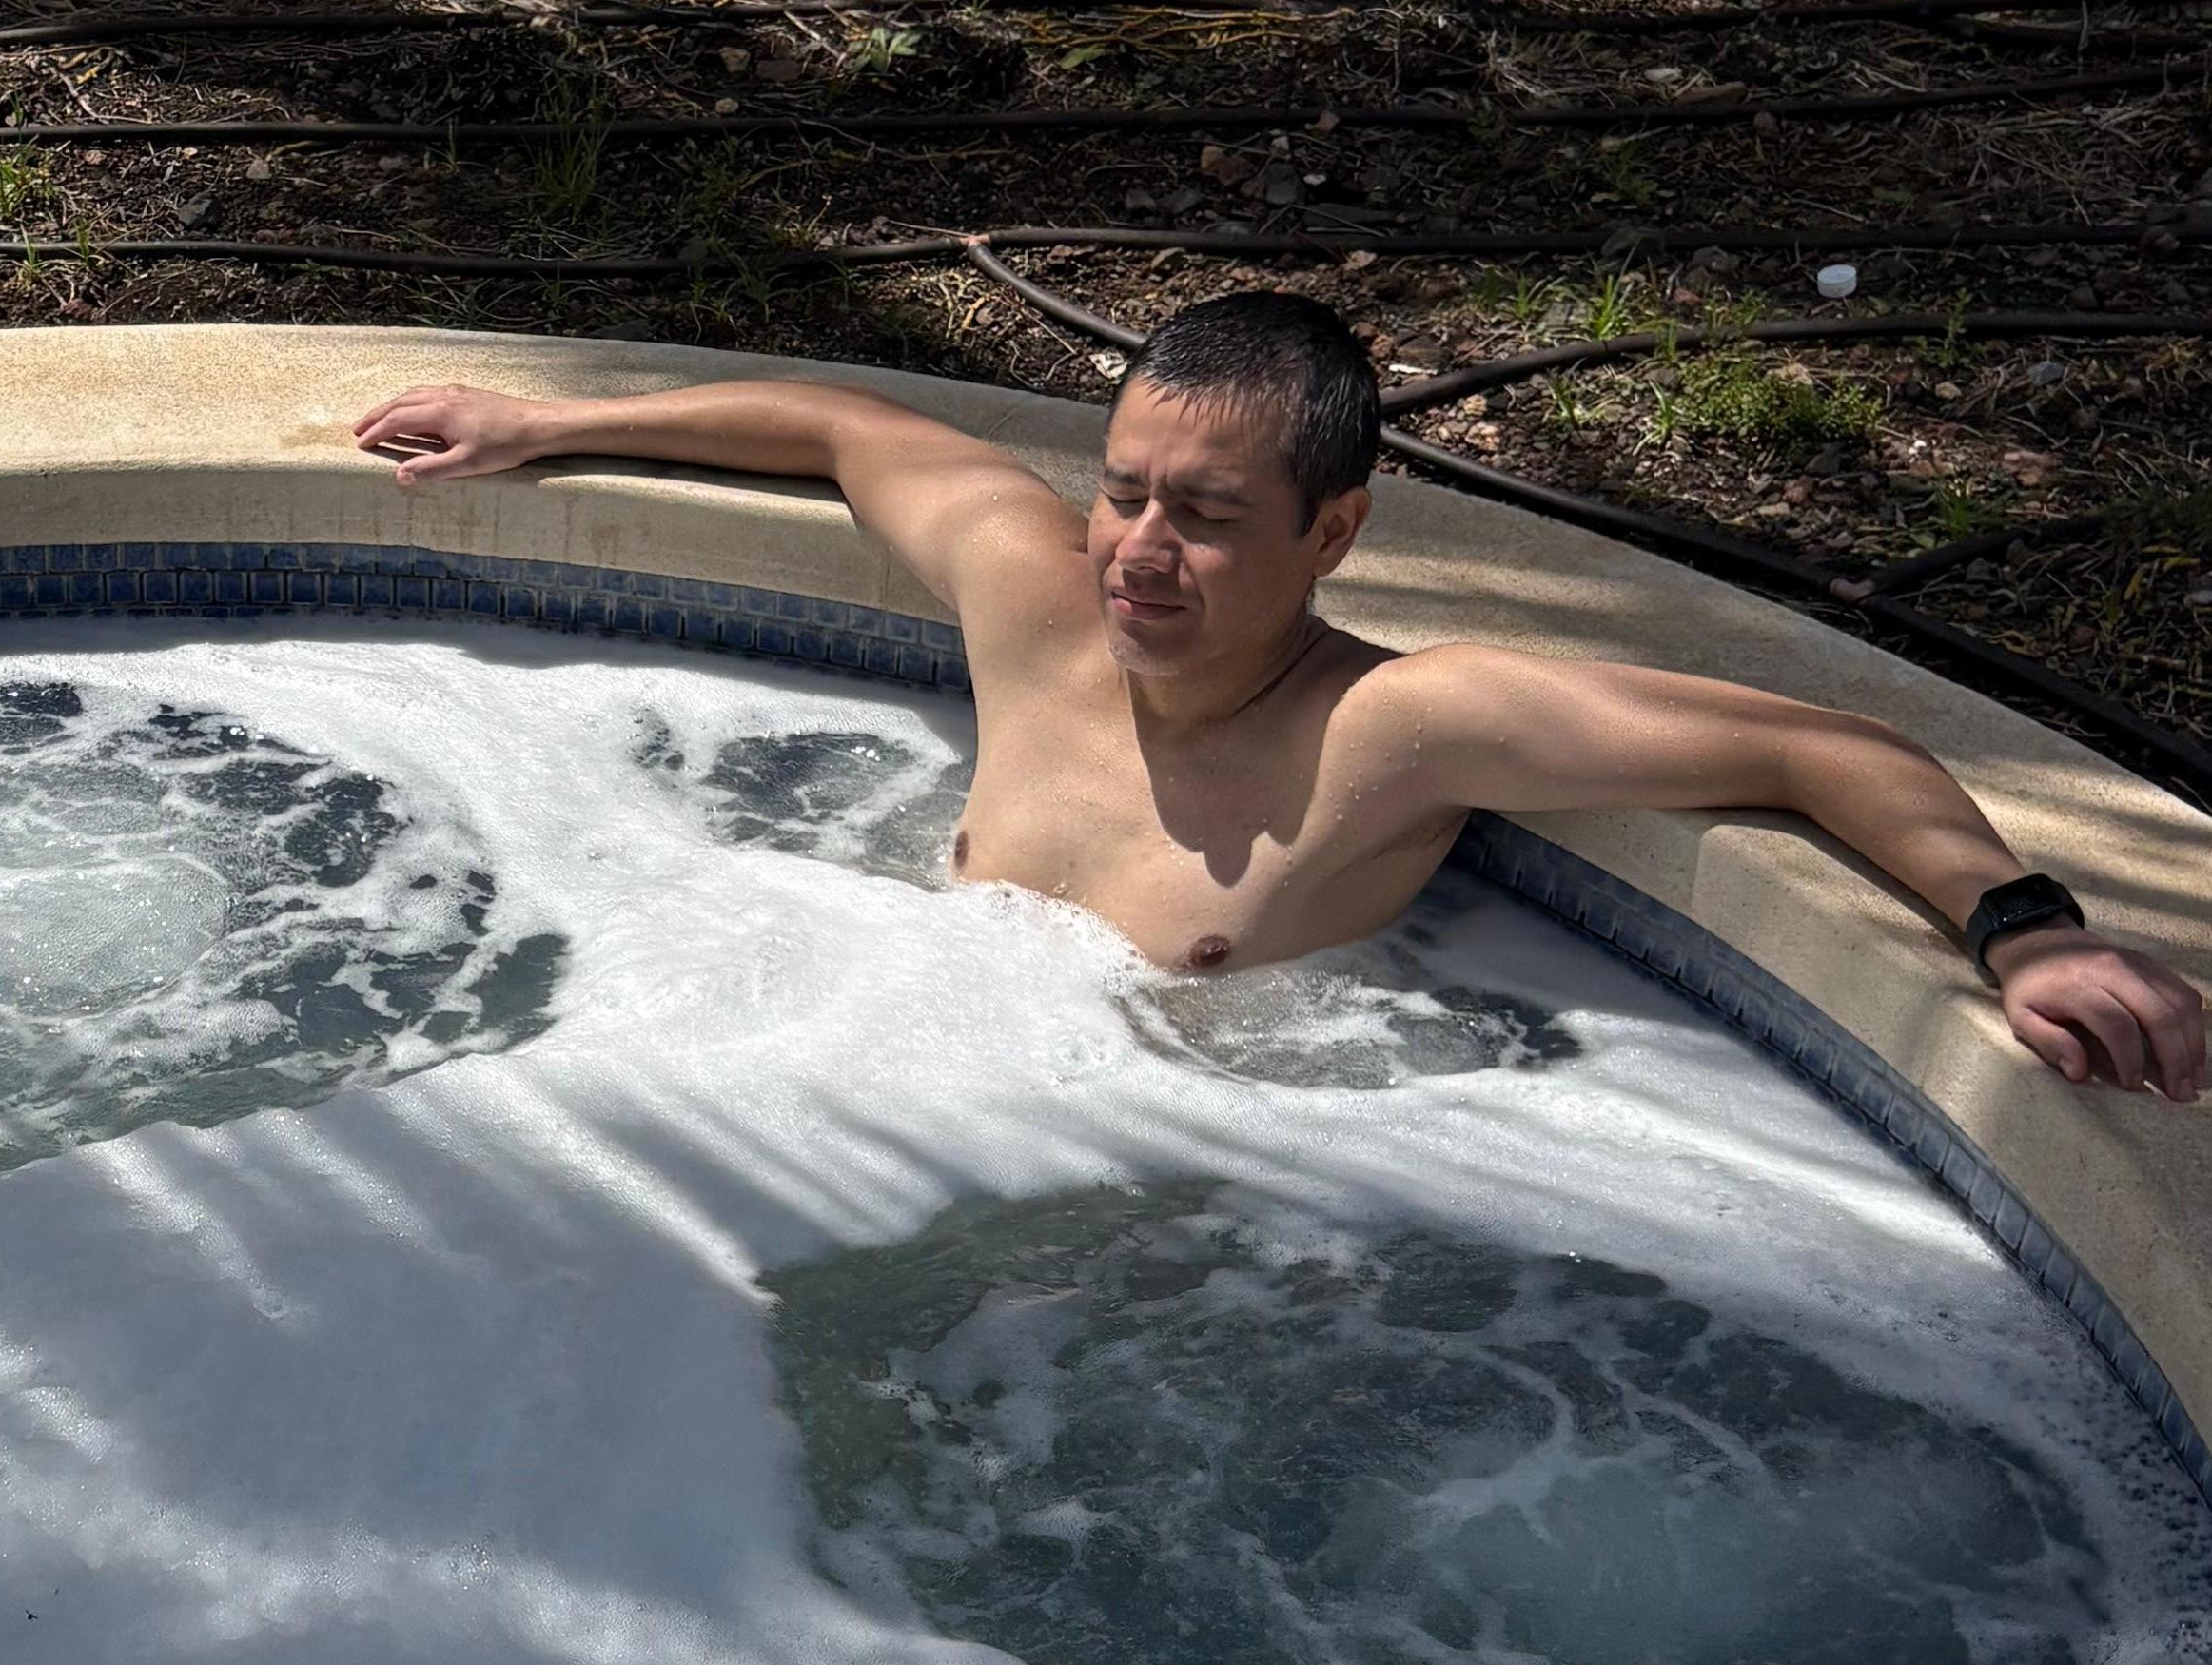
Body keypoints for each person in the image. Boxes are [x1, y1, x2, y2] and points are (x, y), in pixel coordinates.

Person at [355, 290, 2204, 1097]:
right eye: (1125, 493)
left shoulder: (1394, 733)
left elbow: (1813, 749)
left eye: (1209, 518)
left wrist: (2026, 932)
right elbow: (844, 428)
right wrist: (546, 425)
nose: (1139, 552)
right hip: (847, 1080)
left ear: (1334, 531)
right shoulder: (1038, 611)